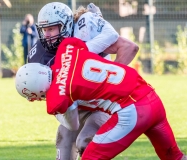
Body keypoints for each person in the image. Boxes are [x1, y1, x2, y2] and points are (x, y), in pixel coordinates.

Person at [16, 37, 187, 160]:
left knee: (91, 156)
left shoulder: (57, 95)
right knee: (173, 156)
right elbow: (80, 47)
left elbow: (73, 124)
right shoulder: (67, 48)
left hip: (133, 111)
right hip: (151, 96)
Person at [27, 2, 138, 159]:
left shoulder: (85, 32)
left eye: (51, 29)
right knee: (64, 140)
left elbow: (129, 47)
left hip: (100, 106)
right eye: (44, 30)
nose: (47, 35)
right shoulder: (39, 54)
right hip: (73, 107)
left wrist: (109, 79)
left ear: (65, 24)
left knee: (85, 141)